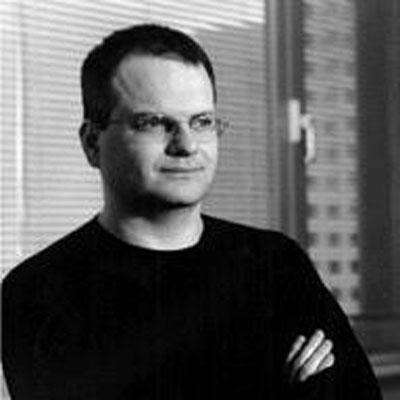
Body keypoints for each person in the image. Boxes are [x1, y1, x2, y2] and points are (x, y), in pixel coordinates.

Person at [2, 24, 381, 399]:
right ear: (91, 143)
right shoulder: (36, 292)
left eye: (202, 122)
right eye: (153, 123)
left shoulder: (276, 263)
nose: (186, 145)